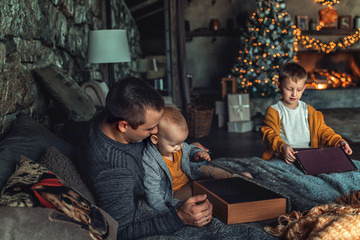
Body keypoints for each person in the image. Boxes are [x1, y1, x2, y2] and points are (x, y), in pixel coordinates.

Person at [76, 77, 213, 240]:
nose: (156, 131)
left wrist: (183, 146)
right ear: (123, 125)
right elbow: (121, 231)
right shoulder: (112, 170)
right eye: (150, 128)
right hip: (162, 192)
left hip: (167, 168)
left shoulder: (108, 115)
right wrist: (179, 218)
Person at [142, 106, 244, 214]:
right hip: (175, 191)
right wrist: (164, 212)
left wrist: (197, 153)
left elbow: (189, 149)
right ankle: (223, 190)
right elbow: (152, 192)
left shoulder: (177, 146)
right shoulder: (150, 160)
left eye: (181, 142)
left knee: (208, 170)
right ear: (155, 140)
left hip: (190, 175)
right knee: (197, 191)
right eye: (174, 145)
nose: (179, 148)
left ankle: (237, 178)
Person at [260, 62, 352, 164]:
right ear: (279, 86)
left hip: (309, 155)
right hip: (285, 156)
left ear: (304, 88)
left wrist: (338, 141)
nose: (294, 94)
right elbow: (268, 134)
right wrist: (282, 146)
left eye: (299, 90)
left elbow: (323, 131)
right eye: (289, 89)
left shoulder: (309, 111)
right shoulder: (274, 111)